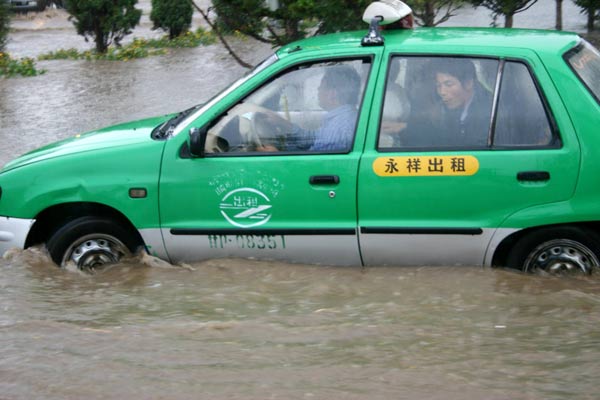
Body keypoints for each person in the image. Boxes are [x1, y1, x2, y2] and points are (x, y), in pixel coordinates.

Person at [262, 64, 362, 152]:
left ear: (332, 94)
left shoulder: (338, 129)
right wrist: (284, 124)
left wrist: (276, 155)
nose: (318, 90)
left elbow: (314, 164)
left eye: (322, 86)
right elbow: (314, 138)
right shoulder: (342, 118)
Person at [403, 58, 492, 148]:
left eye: (449, 84)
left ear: (468, 83)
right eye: (438, 85)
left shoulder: (490, 111)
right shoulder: (442, 107)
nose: (442, 92)